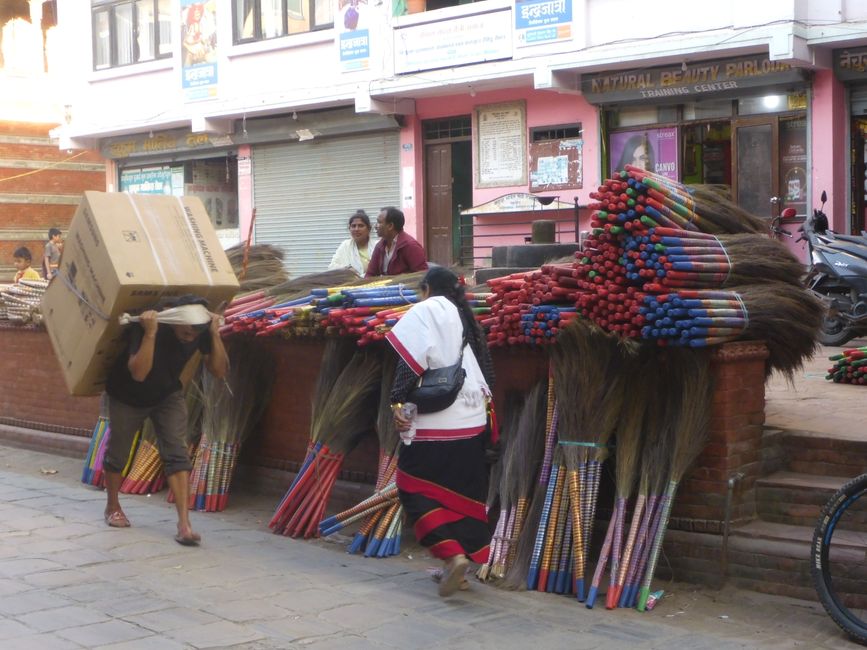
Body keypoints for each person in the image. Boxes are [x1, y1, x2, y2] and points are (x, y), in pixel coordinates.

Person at [385, 266, 496, 597]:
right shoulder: (466, 317)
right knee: (459, 496)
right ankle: (457, 571)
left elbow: (410, 364)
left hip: (437, 424)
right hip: (474, 422)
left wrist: (396, 404)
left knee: (411, 485)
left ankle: (453, 555)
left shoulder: (427, 309)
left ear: (426, 289)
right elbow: (488, 372)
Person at [102, 294, 228, 546]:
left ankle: (184, 524)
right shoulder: (144, 328)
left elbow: (219, 371)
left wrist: (214, 334)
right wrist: (150, 333)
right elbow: (139, 374)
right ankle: (112, 506)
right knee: (119, 452)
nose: (191, 332)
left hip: (167, 394)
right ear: (173, 318)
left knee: (176, 453)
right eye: (187, 327)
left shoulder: (201, 330)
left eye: (197, 328)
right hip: (128, 396)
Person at [365, 207, 428, 277]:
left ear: (390, 226)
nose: (375, 226)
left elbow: (422, 276)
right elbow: (370, 274)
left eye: (379, 222)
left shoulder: (410, 246)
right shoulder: (379, 246)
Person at [329, 210, 374, 276]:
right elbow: (332, 267)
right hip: (350, 284)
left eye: (361, 226)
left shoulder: (377, 246)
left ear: (369, 229)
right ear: (349, 228)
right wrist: (347, 269)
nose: (356, 229)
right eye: (353, 226)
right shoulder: (345, 246)